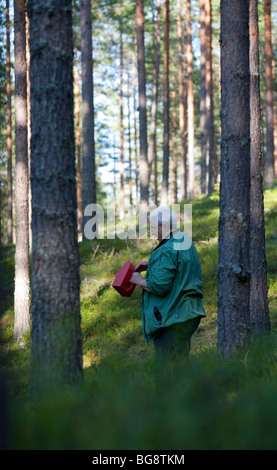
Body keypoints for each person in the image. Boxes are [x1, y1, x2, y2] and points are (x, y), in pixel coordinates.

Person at [130, 206, 206, 363]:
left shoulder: (165, 249)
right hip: (188, 313)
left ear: (163, 226)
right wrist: (152, 264)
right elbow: (178, 268)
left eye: (152, 228)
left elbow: (159, 286)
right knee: (181, 365)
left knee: (169, 372)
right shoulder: (184, 241)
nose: (151, 232)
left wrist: (138, 280)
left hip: (172, 317)